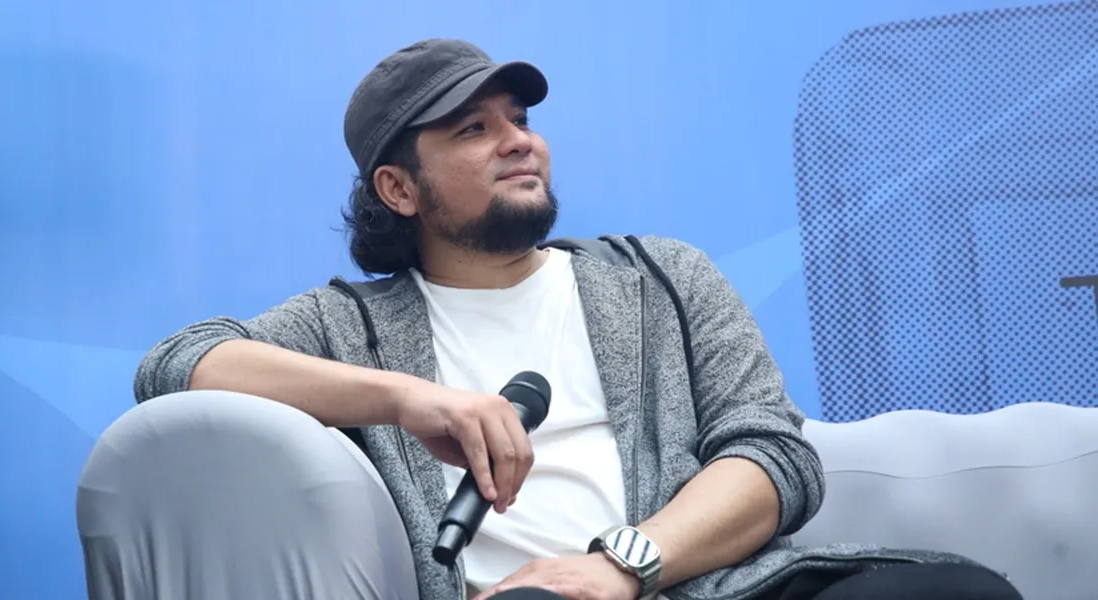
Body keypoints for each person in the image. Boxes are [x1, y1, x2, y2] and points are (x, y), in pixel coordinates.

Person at [90, 39, 1022, 600]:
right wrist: (409, 400)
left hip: (705, 584)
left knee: (957, 590)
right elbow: (178, 364)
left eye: (519, 117)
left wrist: (623, 566)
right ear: (399, 188)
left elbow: (774, 457)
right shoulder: (351, 327)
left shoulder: (664, 278)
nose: (518, 140)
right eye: (472, 129)